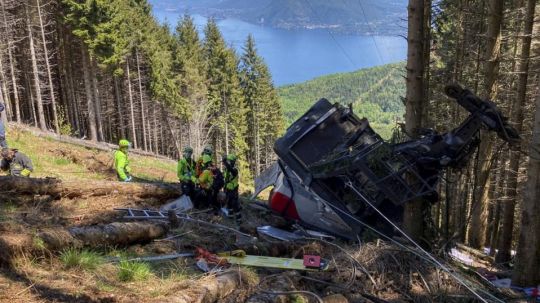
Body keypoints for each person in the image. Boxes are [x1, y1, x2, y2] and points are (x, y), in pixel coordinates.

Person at [222, 154, 241, 222]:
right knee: (229, 204)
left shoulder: (234, 170)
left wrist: (225, 162)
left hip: (233, 190)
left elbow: (230, 169)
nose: (228, 162)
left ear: (232, 162)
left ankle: (239, 220)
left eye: (229, 161)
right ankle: (230, 218)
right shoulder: (226, 170)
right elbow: (225, 179)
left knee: (235, 204)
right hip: (227, 190)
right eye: (228, 161)